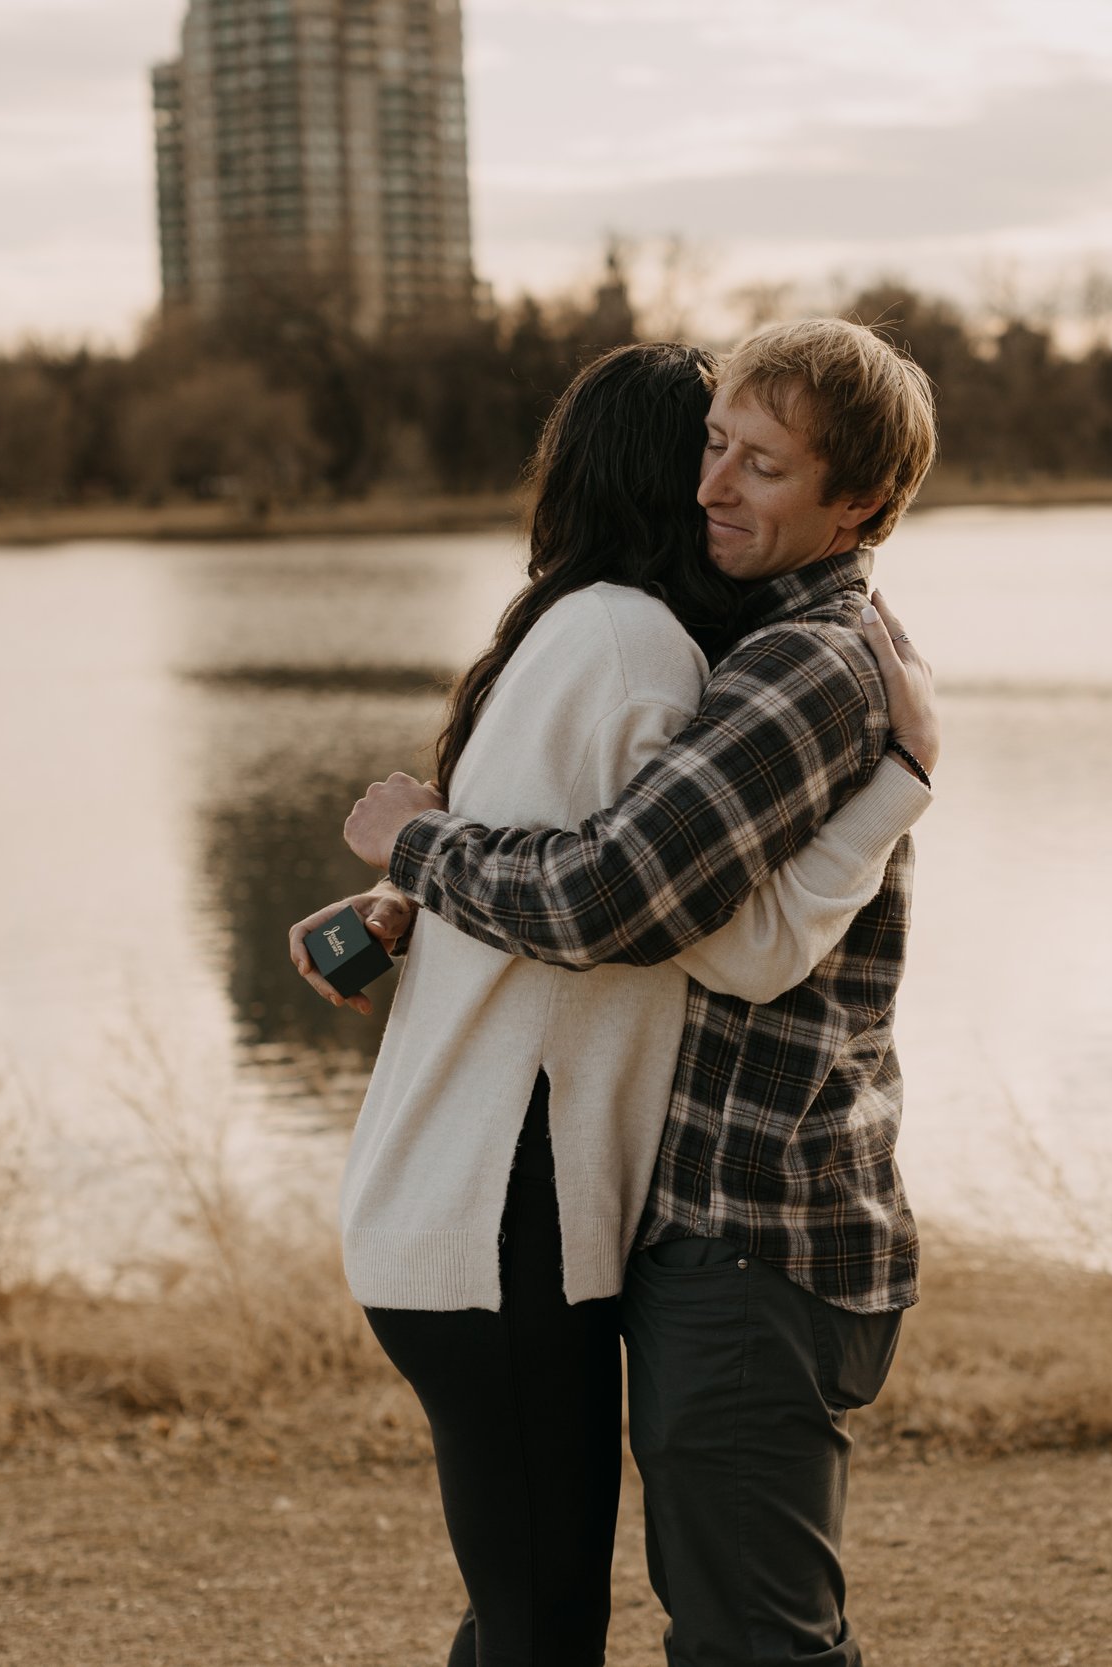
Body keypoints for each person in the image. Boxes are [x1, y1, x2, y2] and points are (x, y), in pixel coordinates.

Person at [287, 339, 939, 1667]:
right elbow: (625, 893)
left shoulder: (663, 643)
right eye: (712, 449)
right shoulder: (653, 646)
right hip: (563, 1223)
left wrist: (417, 862)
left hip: (713, 1221)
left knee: (628, 1626)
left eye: (759, 463)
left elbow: (633, 905)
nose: (719, 486)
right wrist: (421, 879)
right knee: (572, 1625)